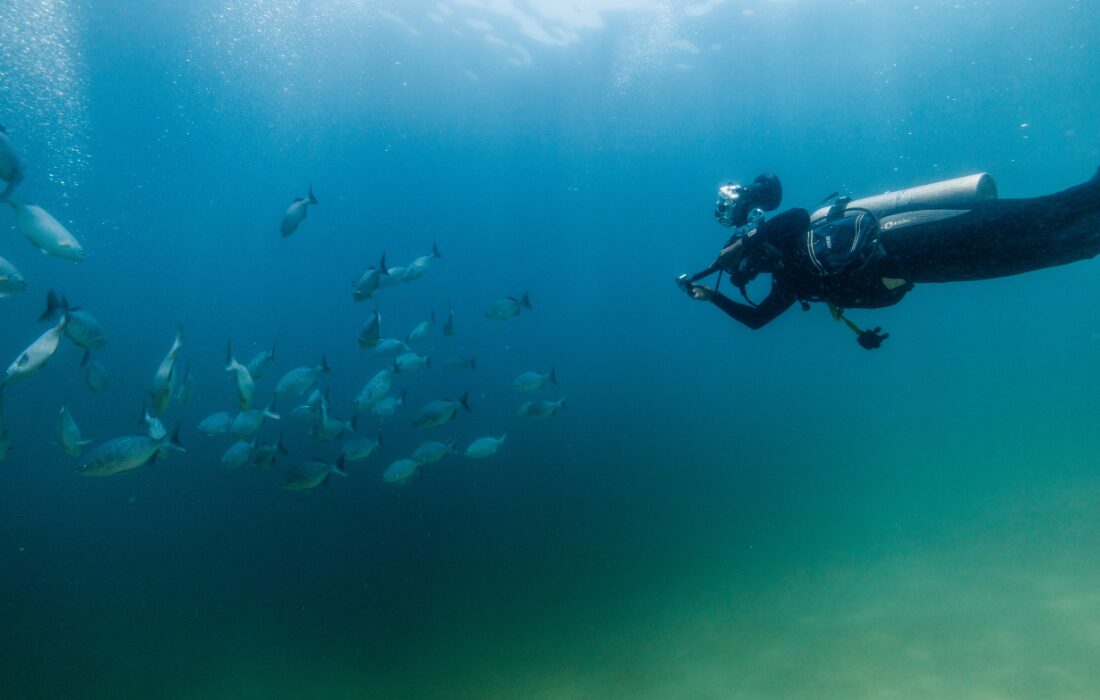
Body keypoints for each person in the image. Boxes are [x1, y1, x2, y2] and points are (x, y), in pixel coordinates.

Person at [677, 167, 1100, 348]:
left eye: (744, 261)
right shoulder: (789, 281)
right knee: (1032, 255)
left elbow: (796, 216)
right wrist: (711, 297)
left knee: (1033, 216)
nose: (745, 272)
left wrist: (744, 242)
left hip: (903, 236)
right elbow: (756, 320)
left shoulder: (787, 234)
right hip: (917, 270)